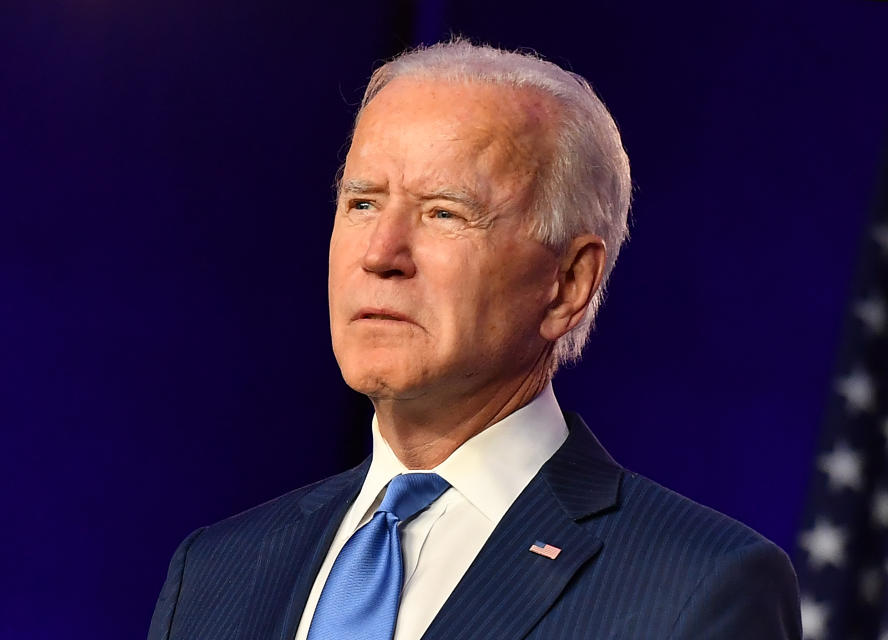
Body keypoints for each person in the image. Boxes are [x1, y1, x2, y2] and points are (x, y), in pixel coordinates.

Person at [147, 40, 801, 640]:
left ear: (568, 283)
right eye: (364, 203)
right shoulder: (212, 572)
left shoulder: (698, 589)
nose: (381, 254)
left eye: (444, 213)